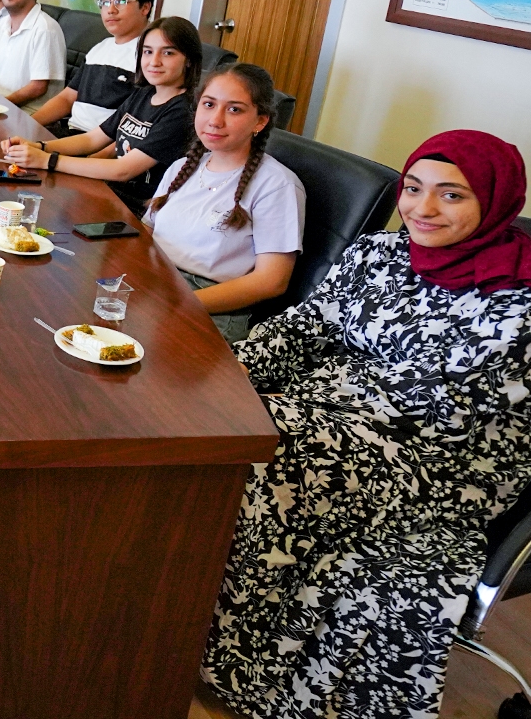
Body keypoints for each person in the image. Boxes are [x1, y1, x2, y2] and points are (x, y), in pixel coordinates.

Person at [200, 130, 531, 719]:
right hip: (337, 411)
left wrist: (289, 409)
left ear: (496, 201)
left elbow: (438, 408)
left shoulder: (519, 303)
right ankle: (172, 619)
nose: (423, 209)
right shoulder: (379, 253)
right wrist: (228, 372)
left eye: (452, 195)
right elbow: (307, 328)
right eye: (414, 188)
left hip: (439, 460)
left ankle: (228, 661)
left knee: (259, 459)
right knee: (215, 420)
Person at [144, 63, 304, 343]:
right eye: (209, 105)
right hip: (155, 282)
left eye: (234, 110)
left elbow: (271, 281)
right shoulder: (182, 167)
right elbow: (147, 231)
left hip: (211, 305)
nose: (215, 120)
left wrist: (180, 302)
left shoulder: (277, 185)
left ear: (260, 121)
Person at [0, 17, 201, 213]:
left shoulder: (182, 111)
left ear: (189, 60)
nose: (154, 62)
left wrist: (47, 160)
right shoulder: (144, 94)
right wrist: (39, 146)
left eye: (168, 53)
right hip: (109, 192)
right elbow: (93, 139)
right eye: (148, 52)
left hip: (134, 209)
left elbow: (124, 170)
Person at [32, 0, 155, 132]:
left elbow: (137, 126)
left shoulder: (151, 56)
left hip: (101, 141)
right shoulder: (101, 47)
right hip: (71, 132)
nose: (111, 10)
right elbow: (67, 98)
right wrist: (27, 125)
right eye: (105, 2)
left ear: (145, 7)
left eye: (121, 1)